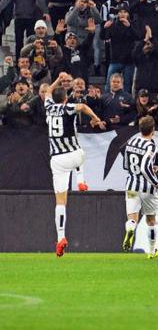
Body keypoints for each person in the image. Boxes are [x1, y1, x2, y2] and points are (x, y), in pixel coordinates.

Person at [44, 72, 105, 257]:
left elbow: (47, 92)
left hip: (57, 159)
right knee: (81, 152)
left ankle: (61, 237)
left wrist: (57, 79)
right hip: (74, 155)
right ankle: (80, 180)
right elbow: (83, 106)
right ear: (65, 99)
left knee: (60, 202)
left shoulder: (48, 108)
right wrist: (95, 118)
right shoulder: (67, 107)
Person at [120, 115, 158, 258]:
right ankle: (152, 251)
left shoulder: (131, 141)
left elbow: (126, 164)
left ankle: (131, 228)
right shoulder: (151, 145)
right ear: (153, 130)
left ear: (140, 129)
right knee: (151, 221)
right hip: (148, 189)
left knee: (132, 218)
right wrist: (156, 182)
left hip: (131, 186)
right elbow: (145, 168)